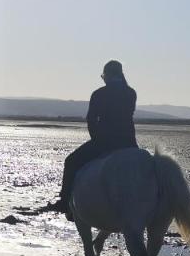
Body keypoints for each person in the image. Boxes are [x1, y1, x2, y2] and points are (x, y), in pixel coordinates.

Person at [54, 60, 138, 218]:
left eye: (103, 76)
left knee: (71, 162)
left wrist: (97, 140)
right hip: (129, 143)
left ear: (106, 75)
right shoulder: (131, 93)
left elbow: (91, 120)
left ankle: (65, 202)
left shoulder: (99, 94)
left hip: (105, 142)